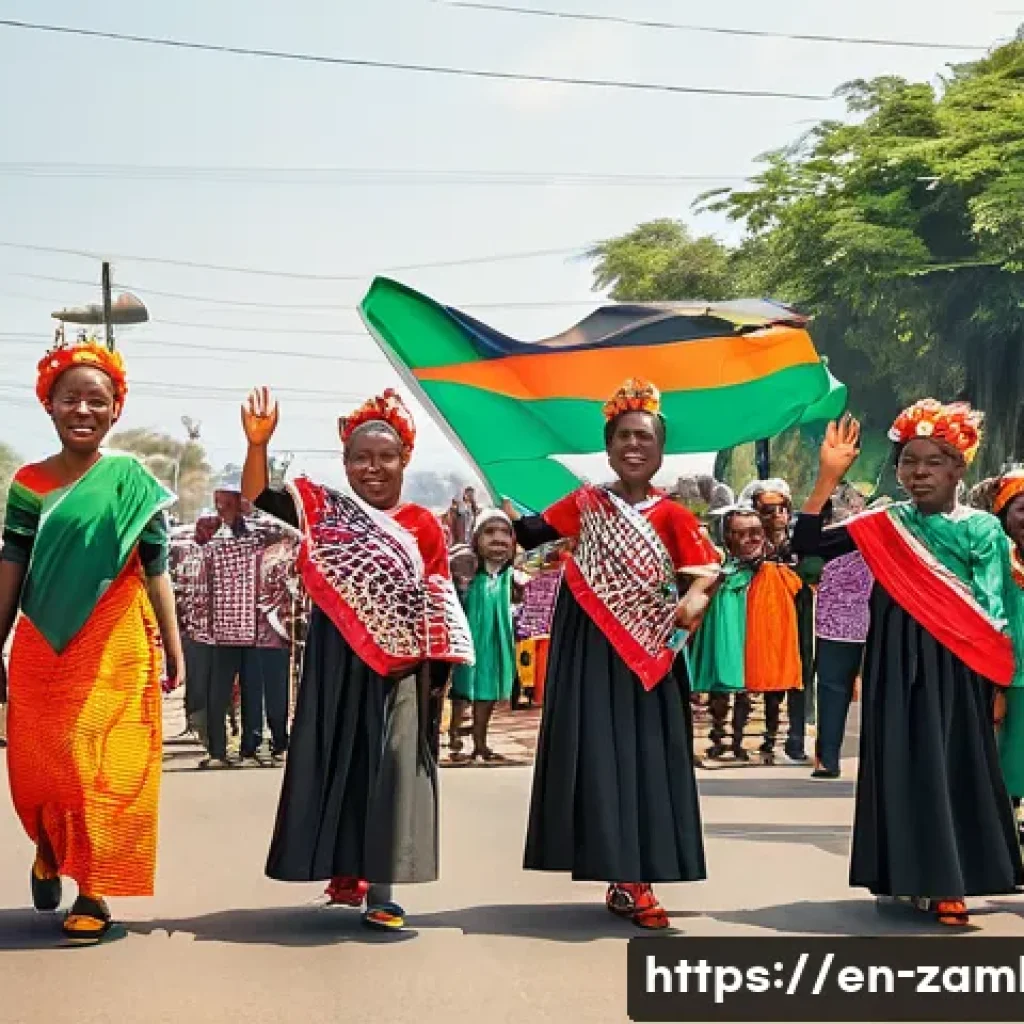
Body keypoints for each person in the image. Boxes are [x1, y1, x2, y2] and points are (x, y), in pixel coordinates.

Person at [240, 386, 473, 931]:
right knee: (339, 759)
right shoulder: (324, 512)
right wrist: (258, 445)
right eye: (361, 458)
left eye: (384, 457)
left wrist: (436, 679)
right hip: (336, 657)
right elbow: (259, 497)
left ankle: (383, 890)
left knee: (392, 767)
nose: (373, 467)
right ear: (345, 464)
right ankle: (346, 870)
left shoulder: (423, 525)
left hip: (403, 669)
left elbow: (438, 599)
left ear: (404, 461)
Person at [792, 403, 1023, 926]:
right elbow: (805, 545)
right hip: (895, 666)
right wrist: (828, 477)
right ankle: (907, 876)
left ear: (958, 467)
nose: (919, 472)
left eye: (934, 461)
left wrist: (996, 682)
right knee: (901, 765)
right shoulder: (884, 523)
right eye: (908, 462)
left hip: (958, 668)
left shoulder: (983, 529)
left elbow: (993, 608)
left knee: (953, 767)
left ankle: (952, 884)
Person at [504, 379, 720, 930]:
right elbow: (531, 533)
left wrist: (693, 599)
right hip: (588, 644)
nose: (633, 445)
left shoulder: (673, 516)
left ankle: (637, 875)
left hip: (650, 651)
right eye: (623, 436)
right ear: (608, 447)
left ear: (660, 449)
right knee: (598, 753)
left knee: (646, 758)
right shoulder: (585, 502)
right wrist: (507, 495)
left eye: (644, 437)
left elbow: (705, 571)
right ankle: (617, 868)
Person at [0, 334, 184, 943]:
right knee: (42, 767)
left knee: (98, 764)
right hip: (41, 646)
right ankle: (49, 849)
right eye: (70, 399)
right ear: (48, 406)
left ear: (115, 410)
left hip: (116, 641)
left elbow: (155, 566)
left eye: (96, 401)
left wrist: (175, 647)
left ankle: (94, 889)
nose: (83, 410)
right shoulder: (28, 482)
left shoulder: (132, 478)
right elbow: (13, 562)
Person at [193, 488, 299, 769]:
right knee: (220, 692)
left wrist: (254, 510)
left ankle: (250, 748)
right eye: (219, 503)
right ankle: (219, 751)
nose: (222, 508)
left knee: (253, 691)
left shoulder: (260, 535)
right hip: (223, 629)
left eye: (228, 502)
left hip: (255, 629)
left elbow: (289, 532)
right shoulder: (211, 534)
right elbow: (200, 560)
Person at [971, 467, 1024, 839]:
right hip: (1009, 680)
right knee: (1008, 764)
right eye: (1022, 508)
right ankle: (1002, 842)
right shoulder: (995, 560)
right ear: (1004, 514)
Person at [448, 509, 525, 762]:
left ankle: (480, 743)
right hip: (467, 640)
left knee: (488, 690)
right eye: (490, 532)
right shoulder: (468, 572)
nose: (499, 539)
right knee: (462, 686)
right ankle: (454, 736)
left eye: (505, 533)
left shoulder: (507, 575)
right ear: (476, 539)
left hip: (494, 643)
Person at [689, 507, 763, 761]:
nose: (750, 539)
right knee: (720, 683)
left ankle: (739, 739)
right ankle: (719, 737)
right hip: (722, 626)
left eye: (755, 532)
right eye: (740, 532)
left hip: (751, 626)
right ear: (728, 535)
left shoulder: (768, 561)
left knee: (747, 686)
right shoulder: (717, 561)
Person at [811, 483, 872, 780]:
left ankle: (829, 759)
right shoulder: (879, 527)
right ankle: (831, 757)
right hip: (847, 621)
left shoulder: (826, 539)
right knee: (840, 689)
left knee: (834, 689)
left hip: (845, 621)